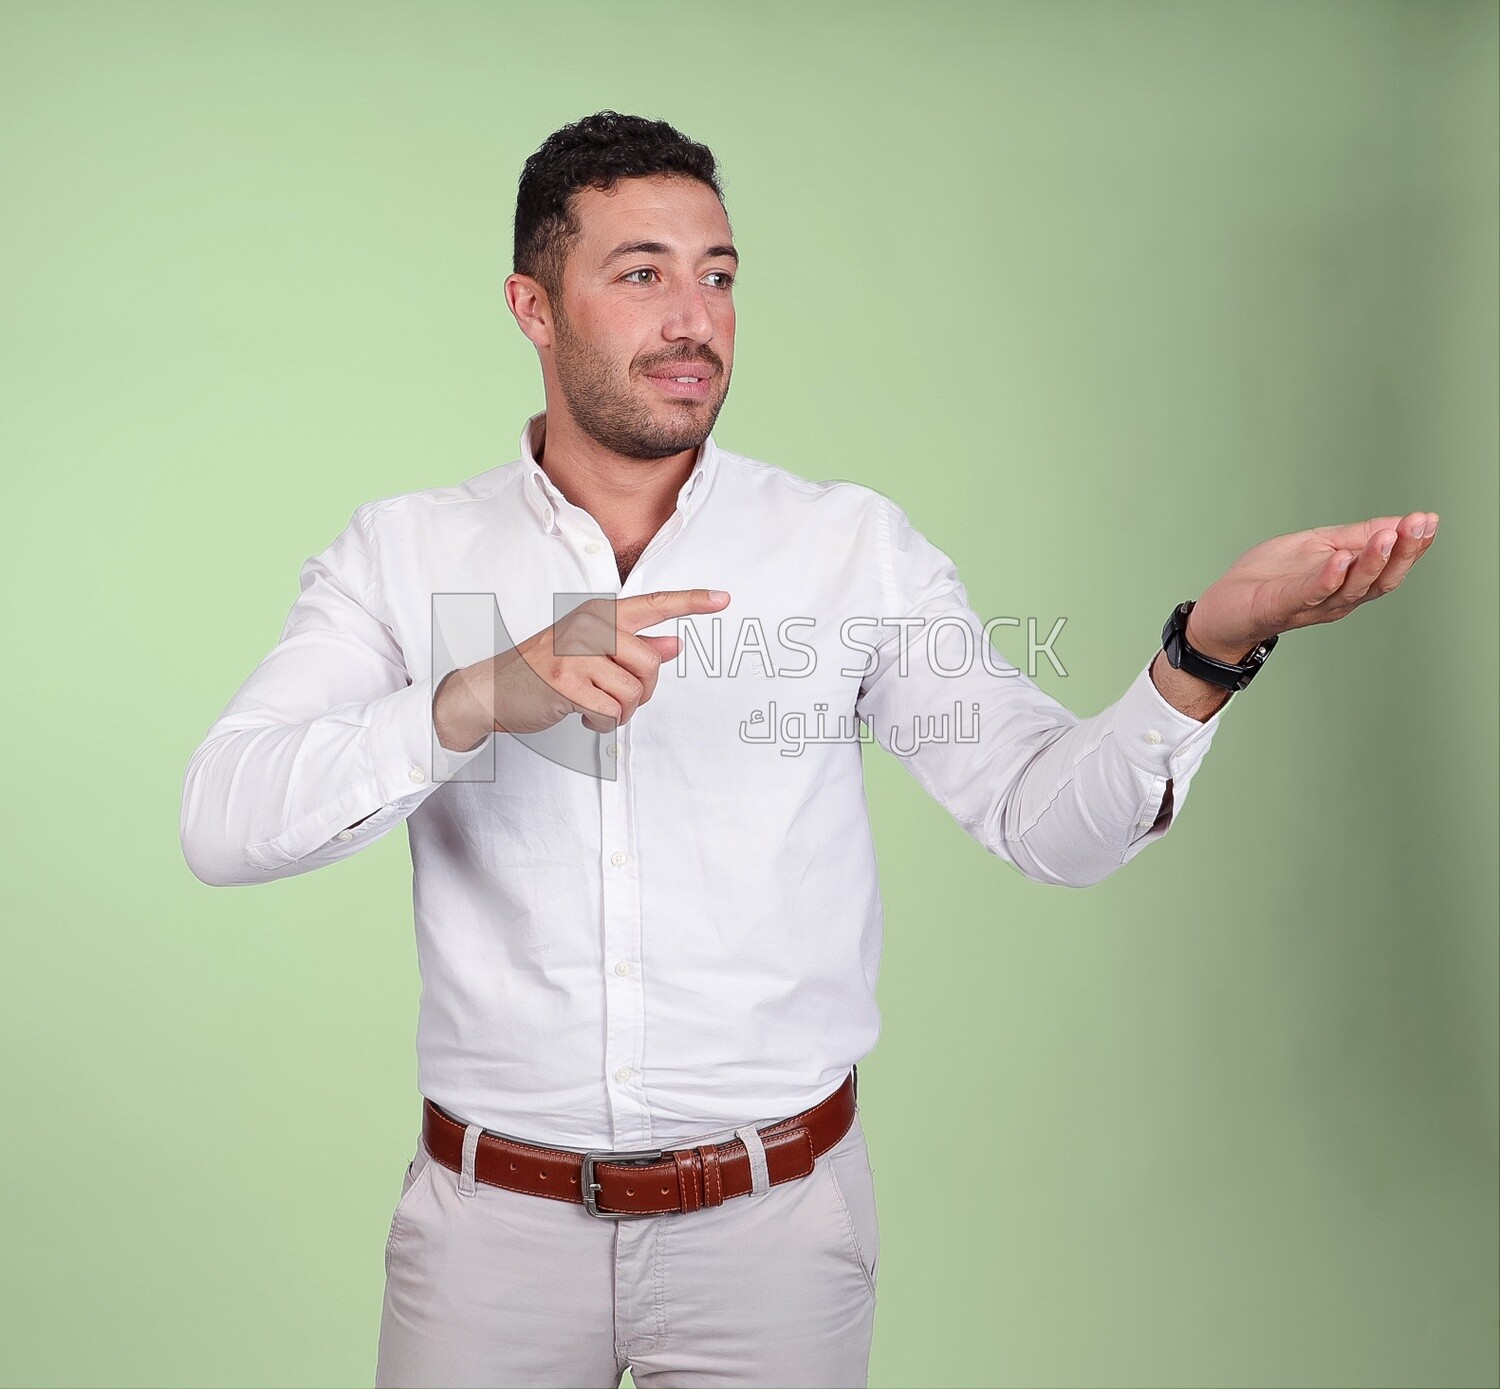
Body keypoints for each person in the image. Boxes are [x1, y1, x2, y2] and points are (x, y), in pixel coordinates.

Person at [179, 110, 1439, 1389]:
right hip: (483, 1247)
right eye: (642, 273)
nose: (695, 318)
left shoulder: (847, 552)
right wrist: (474, 699)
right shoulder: (403, 555)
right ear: (532, 306)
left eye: (718, 275)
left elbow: (1042, 815)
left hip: (774, 1243)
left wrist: (1207, 652)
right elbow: (223, 822)